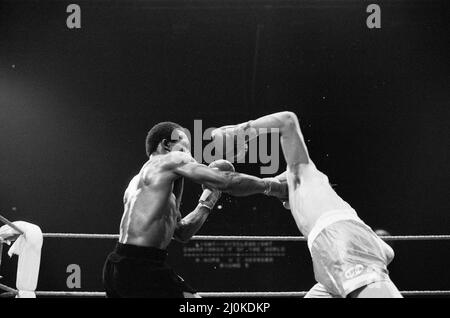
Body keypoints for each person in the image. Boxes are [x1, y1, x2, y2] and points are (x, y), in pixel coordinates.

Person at [212, 112, 402, 298]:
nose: (281, 189)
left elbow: (287, 120)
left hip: (337, 238)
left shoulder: (302, 172)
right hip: (329, 259)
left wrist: (237, 133)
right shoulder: (299, 195)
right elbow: (387, 253)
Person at [102, 121, 287, 298]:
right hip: (142, 268)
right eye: (185, 147)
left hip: (118, 267)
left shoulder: (141, 184)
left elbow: (182, 232)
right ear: (166, 145)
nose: (189, 155)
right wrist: (273, 186)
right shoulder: (172, 159)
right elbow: (227, 180)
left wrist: (208, 200)